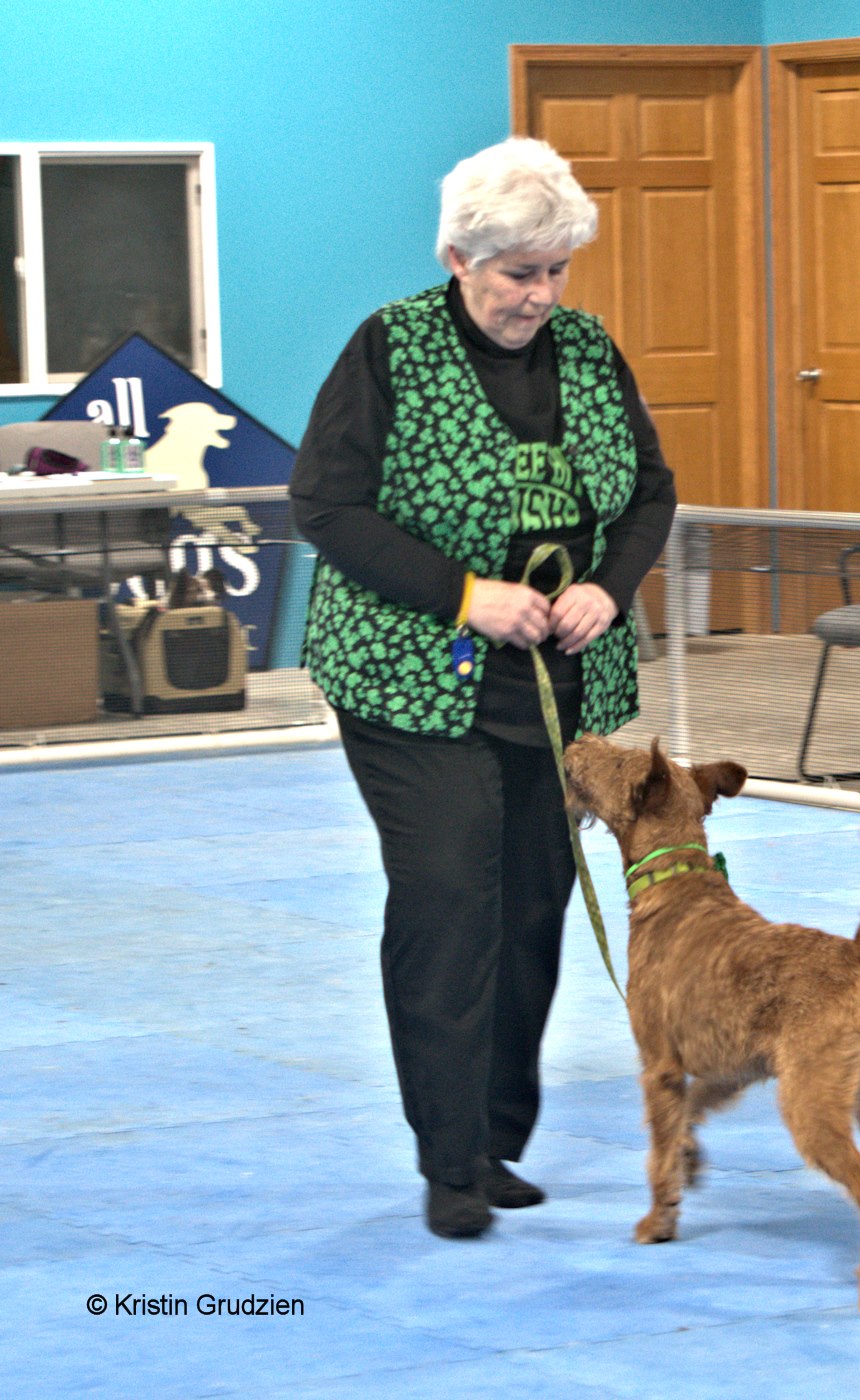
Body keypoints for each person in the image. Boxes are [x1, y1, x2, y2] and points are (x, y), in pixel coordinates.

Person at [291, 137, 676, 1237]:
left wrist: (609, 583)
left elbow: (650, 490)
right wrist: (467, 593)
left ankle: (497, 1131)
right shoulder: (391, 350)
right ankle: (448, 1156)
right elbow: (328, 506)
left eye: (555, 270)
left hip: (561, 686)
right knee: (452, 899)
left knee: (533, 908)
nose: (539, 295)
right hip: (413, 684)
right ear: (458, 256)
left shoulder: (591, 351)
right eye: (517, 273)